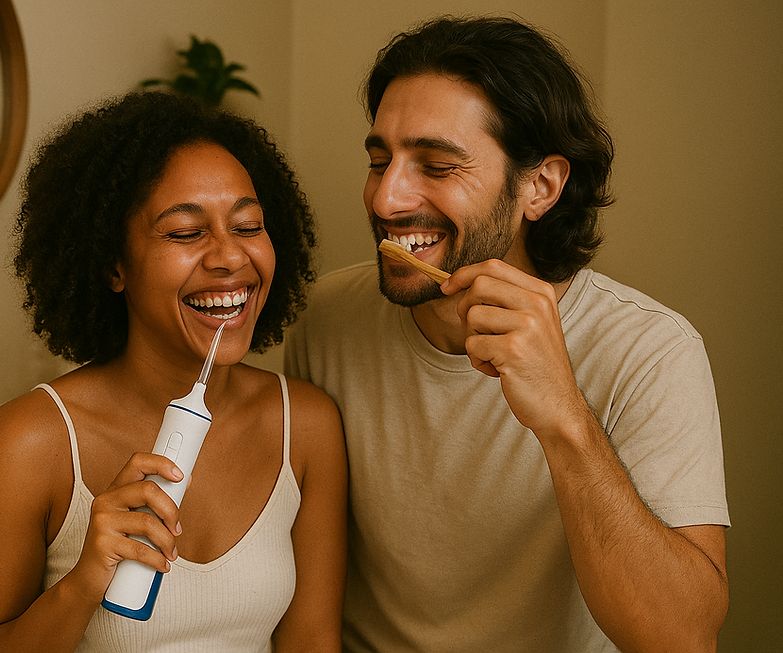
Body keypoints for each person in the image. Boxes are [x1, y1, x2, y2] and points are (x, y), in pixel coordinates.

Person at [284, 15, 729, 653]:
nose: (385, 200)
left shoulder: (652, 352)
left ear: (539, 187)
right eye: (379, 160)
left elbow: (682, 638)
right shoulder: (326, 317)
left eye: (436, 166)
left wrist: (566, 420)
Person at [0, 91, 347, 653]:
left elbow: (312, 643)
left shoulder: (305, 425)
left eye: (248, 226)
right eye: (185, 233)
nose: (230, 257)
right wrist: (84, 581)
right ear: (113, 265)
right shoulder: (30, 442)